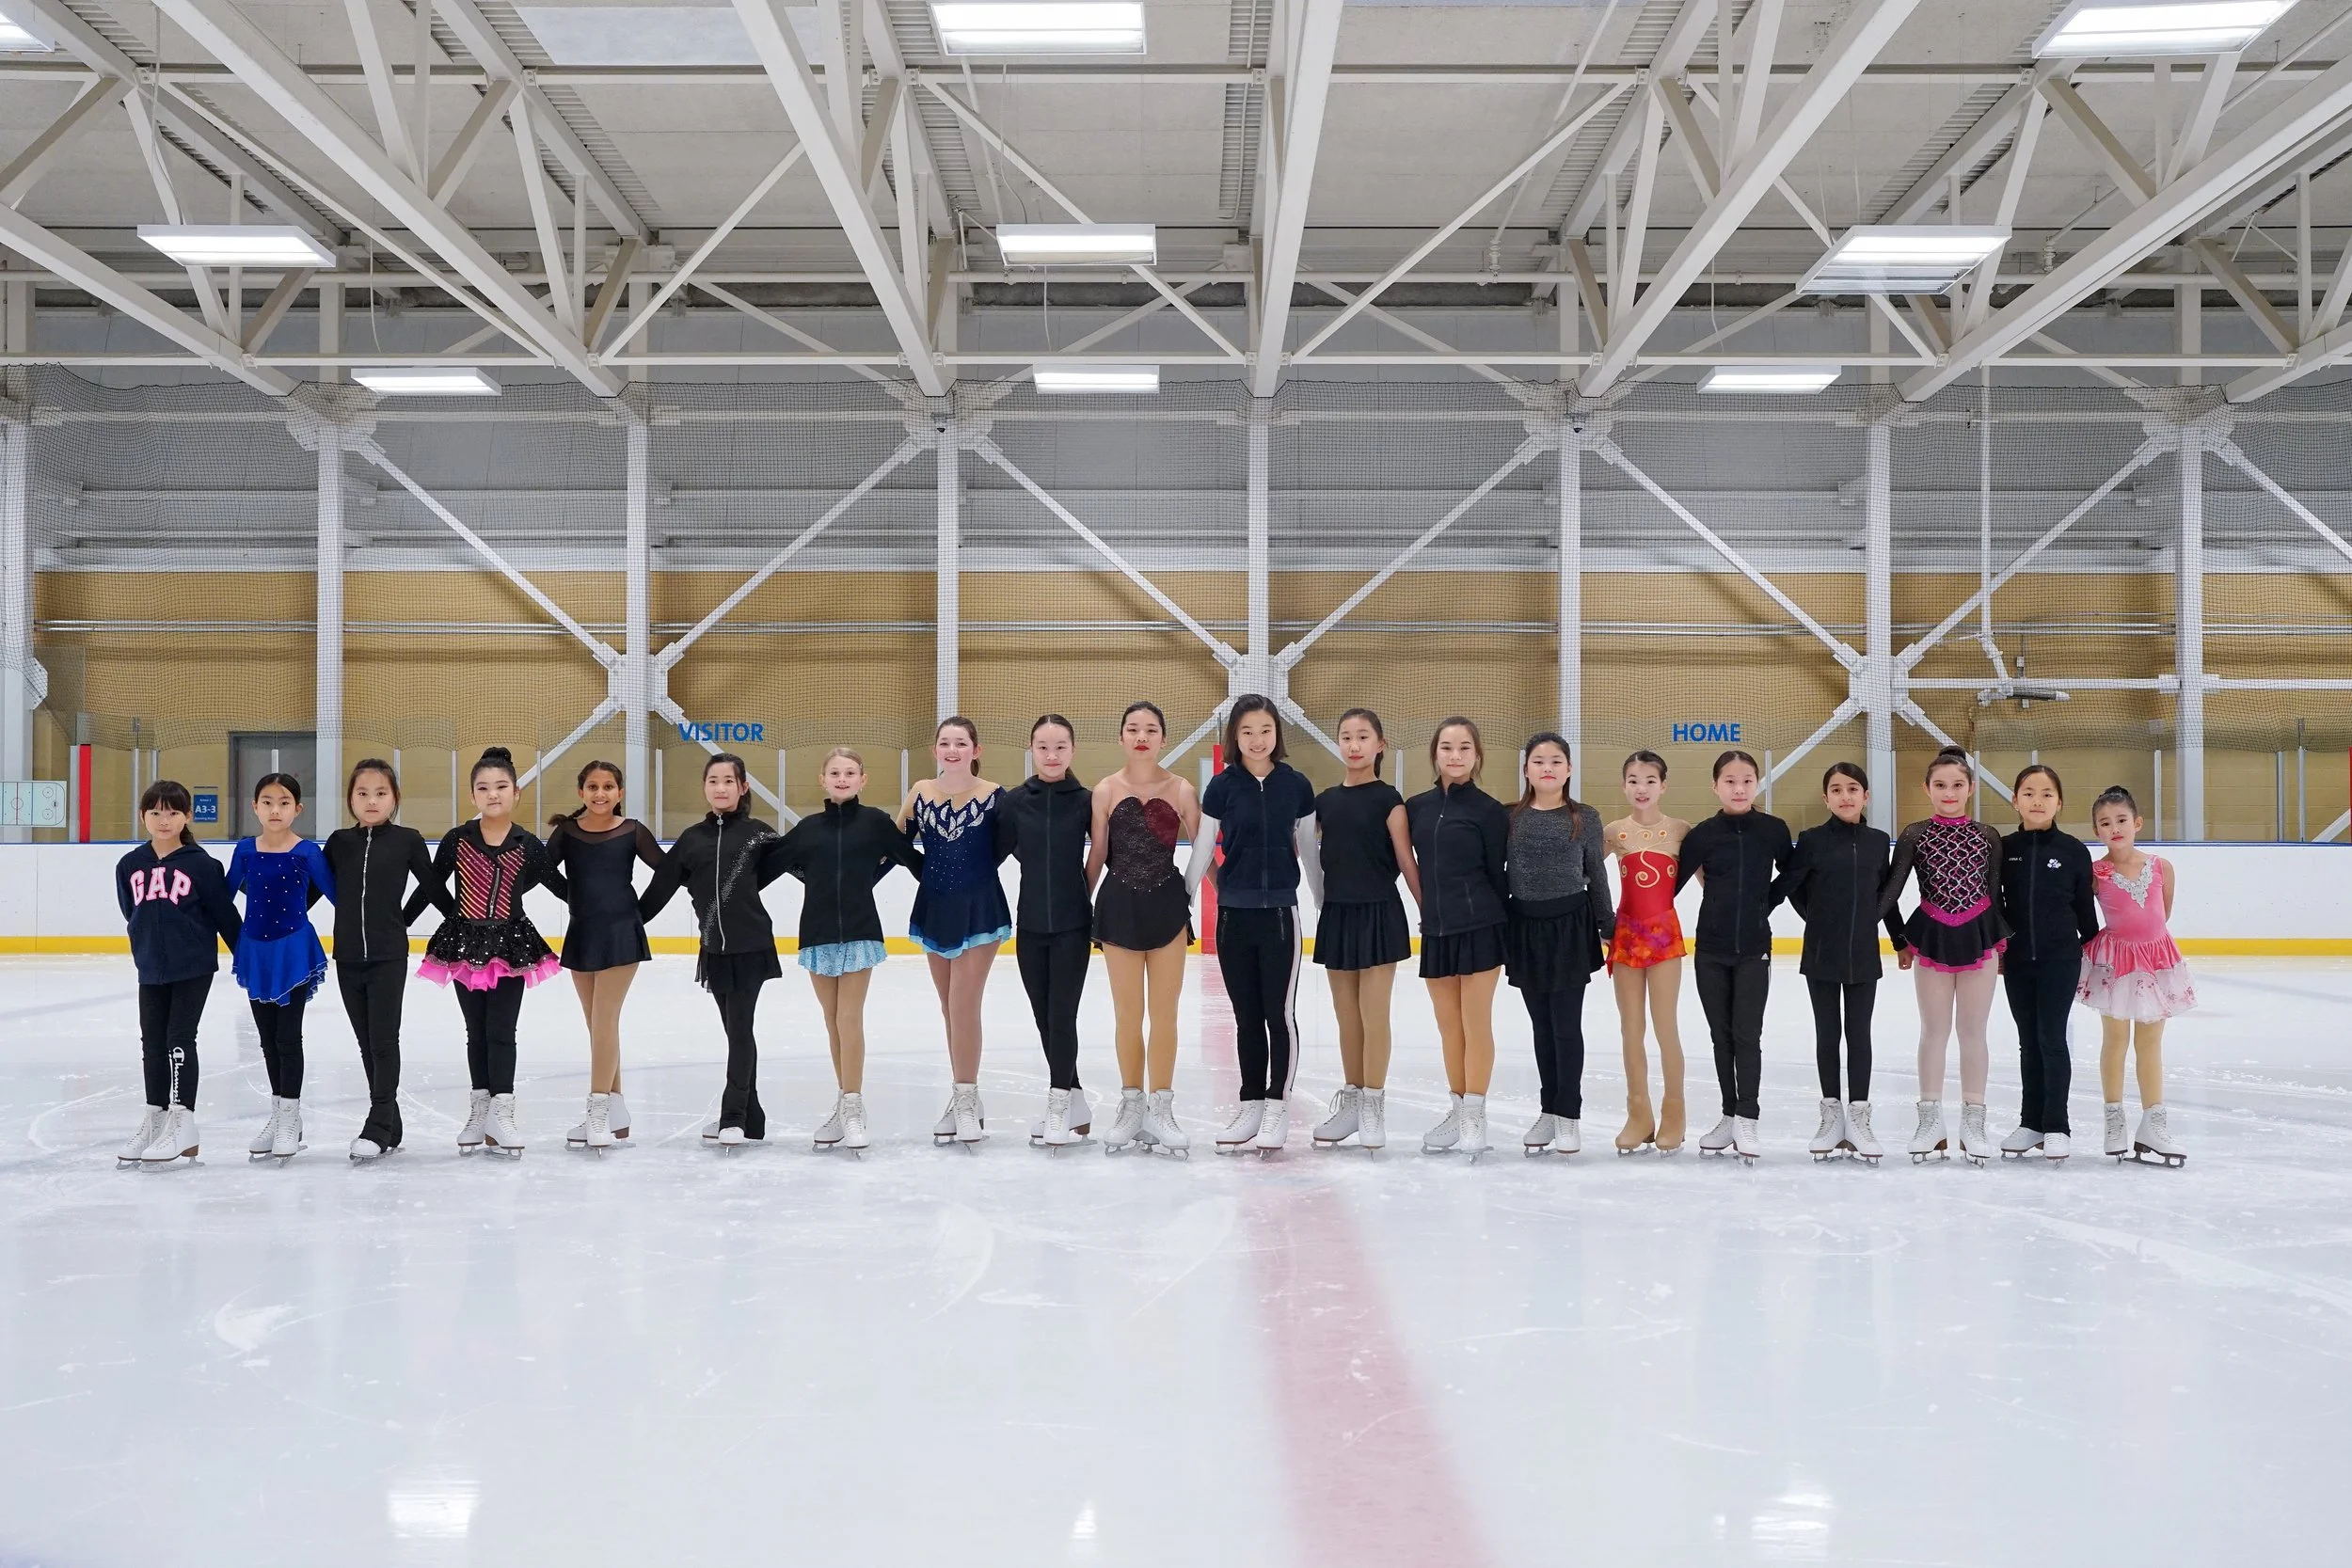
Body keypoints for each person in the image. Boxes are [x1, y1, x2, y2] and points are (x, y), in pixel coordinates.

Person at [413, 746, 567, 1158]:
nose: (493, 794)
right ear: (472, 796)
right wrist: (407, 922)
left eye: (501, 787)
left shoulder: (527, 844)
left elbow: (560, 888)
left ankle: (504, 1110)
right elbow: (430, 886)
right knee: (475, 1031)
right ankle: (480, 1110)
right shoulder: (457, 840)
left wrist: (605, 907)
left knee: (502, 1031)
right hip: (464, 947)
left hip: (512, 947)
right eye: (483, 788)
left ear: (516, 793)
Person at [637, 752, 792, 1149]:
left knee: (740, 1030)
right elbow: (662, 888)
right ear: (705, 787)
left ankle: (733, 1116)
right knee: (736, 1032)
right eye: (713, 781)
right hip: (714, 950)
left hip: (751, 946)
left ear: (743, 788)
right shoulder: (691, 839)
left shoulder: (760, 833)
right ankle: (753, 1118)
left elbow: (784, 869)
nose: (720, 788)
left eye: (729, 781)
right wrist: (629, 922)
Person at [777, 747, 922, 1152]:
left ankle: (854, 1106)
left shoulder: (875, 823)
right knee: (830, 1020)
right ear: (822, 779)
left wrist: (958, 877)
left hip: (860, 931)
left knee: (848, 1017)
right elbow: (772, 862)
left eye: (850, 772)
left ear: (863, 779)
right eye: (835, 772)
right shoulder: (808, 828)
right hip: (817, 932)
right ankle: (844, 1103)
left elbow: (908, 858)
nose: (843, 778)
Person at [1197, 694, 1320, 1155]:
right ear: (1235, 737)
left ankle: (1277, 1106)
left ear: (1277, 734)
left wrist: (1323, 902)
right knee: (1246, 1017)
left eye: (1264, 730)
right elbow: (1205, 847)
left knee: (1278, 1015)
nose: (1256, 739)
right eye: (1246, 731)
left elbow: (1308, 852)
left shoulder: (1297, 786)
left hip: (1280, 918)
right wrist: (1187, 896)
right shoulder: (1222, 787)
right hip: (1233, 916)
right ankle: (1250, 1102)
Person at [1880, 746, 2010, 1165]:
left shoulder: (1988, 836)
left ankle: (1973, 1123)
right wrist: (1899, 938)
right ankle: (1930, 1120)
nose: (1949, 792)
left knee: (1974, 1032)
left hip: (1980, 937)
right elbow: (1891, 892)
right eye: (1940, 785)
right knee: (1933, 1031)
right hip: (1931, 936)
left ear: (1970, 788)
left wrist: (2000, 945)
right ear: (1927, 789)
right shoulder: (1916, 834)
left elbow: (1994, 894)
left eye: (1957, 785)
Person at [1774, 762, 1905, 1164]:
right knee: (1828, 1033)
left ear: (1866, 796)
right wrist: (1814, 919)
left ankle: (1860, 1117)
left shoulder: (1876, 841)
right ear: (1825, 798)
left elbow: (1887, 895)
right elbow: (1788, 886)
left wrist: (1899, 940)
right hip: (1821, 952)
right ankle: (1831, 1115)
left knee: (1859, 1034)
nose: (1845, 796)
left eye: (1853, 789)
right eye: (1836, 789)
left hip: (1864, 952)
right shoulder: (1811, 841)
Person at [1088, 700, 1200, 1153]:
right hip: (1118, 907)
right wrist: (1080, 901)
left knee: (1166, 1014)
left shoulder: (1182, 789)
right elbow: (1097, 853)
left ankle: (1162, 1106)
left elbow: (1206, 849)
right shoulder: (1105, 790)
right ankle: (1132, 1103)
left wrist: (1220, 891)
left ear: (1163, 739)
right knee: (1128, 1013)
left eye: (1151, 729)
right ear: (1121, 737)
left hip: (1168, 908)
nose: (1142, 735)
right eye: (1133, 728)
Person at [900, 716, 1015, 1146]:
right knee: (950, 1007)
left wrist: (975, 881)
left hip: (981, 908)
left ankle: (965, 1100)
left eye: (961, 743)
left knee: (964, 1004)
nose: (953, 749)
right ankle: (965, 1094)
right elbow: (897, 844)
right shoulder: (921, 793)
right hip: (935, 908)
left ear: (976, 750)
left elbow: (1003, 848)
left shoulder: (995, 797)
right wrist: (927, 875)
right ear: (935, 750)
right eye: (945, 742)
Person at [1675, 750, 1794, 1162]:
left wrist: (1767, 902)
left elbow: (1793, 874)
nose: (1739, 788)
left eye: (1746, 780)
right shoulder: (1703, 835)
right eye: (1729, 780)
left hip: (1754, 949)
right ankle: (1729, 1112)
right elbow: (1667, 887)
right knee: (1720, 1035)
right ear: (1715, 786)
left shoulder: (1773, 829)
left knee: (1748, 1033)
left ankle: (1748, 1116)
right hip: (1709, 949)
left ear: (1757, 783)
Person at [116, 780, 242, 1166]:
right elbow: (130, 911)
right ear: (143, 817)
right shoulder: (129, 865)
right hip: (150, 967)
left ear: (187, 816)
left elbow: (225, 917)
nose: (163, 819)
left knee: (178, 1039)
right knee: (151, 1043)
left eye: (172, 812)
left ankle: (182, 1120)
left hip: (192, 967)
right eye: (155, 812)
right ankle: (156, 1118)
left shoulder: (202, 865)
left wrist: (248, 960)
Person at [1310, 707, 1418, 1152]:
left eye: (1363, 737)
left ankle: (1373, 1104)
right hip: (1337, 914)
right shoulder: (1325, 802)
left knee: (1375, 1017)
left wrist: (1430, 911)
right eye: (1346, 737)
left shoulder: (1390, 801)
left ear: (1379, 746)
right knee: (1346, 1018)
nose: (1353, 745)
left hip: (1378, 913)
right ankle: (1352, 1100)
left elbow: (1408, 863)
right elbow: (1303, 851)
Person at [546, 759, 663, 1151]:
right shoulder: (567, 833)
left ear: (620, 792)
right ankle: (616, 1112)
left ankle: (597, 1113)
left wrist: (637, 915)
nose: (600, 794)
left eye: (608, 787)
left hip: (620, 934)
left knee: (605, 1019)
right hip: (582, 932)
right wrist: (576, 898)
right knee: (596, 1025)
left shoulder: (633, 831)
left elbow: (668, 874)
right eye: (593, 787)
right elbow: (544, 873)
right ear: (581, 792)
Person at [1503, 733, 1613, 1156]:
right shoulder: (1509, 816)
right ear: (1526, 769)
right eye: (1538, 761)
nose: (1547, 767)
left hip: (1570, 926)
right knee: (1541, 1026)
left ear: (1568, 769)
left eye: (1556, 761)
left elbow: (1597, 875)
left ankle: (1569, 1115)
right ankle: (1549, 1110)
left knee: (1566, 1026)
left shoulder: (1584, 816)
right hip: (1525, 926)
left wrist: (1608, 925)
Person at [1406, 716, 1510, 1156]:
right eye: (1447, 747)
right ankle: (1457, 1107)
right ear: (1435, 754)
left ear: (1477, 756)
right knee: (1449, 1027)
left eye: (1464, 748)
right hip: (1436, 929)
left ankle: (1475, 1115)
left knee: (1474, 1023)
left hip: (1480, 926)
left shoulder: (1489, 810)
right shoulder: (1417, 807)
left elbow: (1496, 873)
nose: (1455, 755)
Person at [2077, 784, 2197, 1166]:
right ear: (2096, 830)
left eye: (2122, 820)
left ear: (2138, 823)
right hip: (2115, 961)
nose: (2115, 828)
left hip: (2156, 959)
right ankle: (2114, 1120)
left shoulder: (2162, 867)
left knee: (2150, 1043)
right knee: (2114, 1039)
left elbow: (2164, 913)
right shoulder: (2095, 873)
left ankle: (2154, 1123)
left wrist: (2147, 946)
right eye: (2105, 823)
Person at [324, 758, 437, 1161]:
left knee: (384, 1041)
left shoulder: (408, 839)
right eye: (362, 793)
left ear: (395, 798)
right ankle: (391, 1120)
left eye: (381, 793)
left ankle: (376, 1123)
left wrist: (401, 921)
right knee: (365, 1042)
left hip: (389, 956)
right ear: (350, 798)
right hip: (348, 956)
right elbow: (309, 894)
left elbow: (432, 889)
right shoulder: (339, 842)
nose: (371, 801)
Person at [998, 715, 1096, 1147]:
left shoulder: (1088, 800)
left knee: (1063, 1014)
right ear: (1032, 750)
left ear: (1073, 751)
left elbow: (1107, 854)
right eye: (1043, 746)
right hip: (1031, 923)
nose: (1052, 755)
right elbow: (994, 854)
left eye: (1060, 747)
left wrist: (1083, 891)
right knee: (1043, 1016)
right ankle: (1074, 1096)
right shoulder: (1015, 801)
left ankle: (1058, 1100)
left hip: (1074, 924)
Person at [226, 772, 334, 1162]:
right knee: (267, 1039)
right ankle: (280, 1114)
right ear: (254, 806)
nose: (275, 809)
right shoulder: (244, 850)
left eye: (284, 802)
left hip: (294, 952)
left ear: (298, 809)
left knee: (288, 1037)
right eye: (267, 801)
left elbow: (337, 894)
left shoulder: (308, 852)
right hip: (255, 952)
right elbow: (225, 898)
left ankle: (290, 1116)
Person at [1996, 765, 2099, 1162]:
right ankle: (2031, 1123)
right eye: (2028, 793)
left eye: (2046, 794)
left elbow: (2084, 911)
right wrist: (1999, 948)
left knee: (2051, 1040)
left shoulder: (2073, 850)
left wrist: (2093, 949)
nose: (2037, 801)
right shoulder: (2004, 848)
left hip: (2060, 959)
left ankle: (2057, 1125)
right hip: (2018, 961)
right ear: (2015, 800)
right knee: (2027, 1043)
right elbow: (1998, 905)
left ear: (2060, 802)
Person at [1604, 751, 1690, 1153]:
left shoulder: (1681, 831)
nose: (1642, 788)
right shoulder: (1613, 831)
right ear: (1623, 785)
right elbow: (1582, 871)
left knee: (1665, 1027)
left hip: (1664, 939)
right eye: (1634, 780)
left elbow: (1715, 882)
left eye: (1650, 780)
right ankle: (1639, 1114)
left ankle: (1675, 1113)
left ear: (1663, 785)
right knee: (1630, 1029)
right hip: (1625, 937)